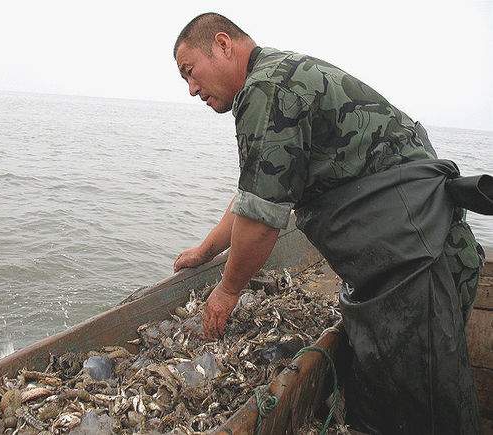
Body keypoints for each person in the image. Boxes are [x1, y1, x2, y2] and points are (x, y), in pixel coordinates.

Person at [172, 12, 491, 434]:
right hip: (413, 252)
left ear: (223, 45)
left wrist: (226, 291)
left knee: (429, 408)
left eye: (190, 72)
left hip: (417, 260)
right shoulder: (278, 77)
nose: (192, 89)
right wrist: (207, 250)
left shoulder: (268, 89)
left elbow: (262, 219)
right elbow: (255, 192)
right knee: (403, 399)